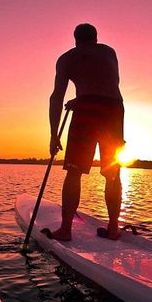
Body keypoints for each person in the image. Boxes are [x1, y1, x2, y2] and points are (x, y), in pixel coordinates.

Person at [47, 23, 125, 241]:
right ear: (96, 38)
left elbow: (56, 97)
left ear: (75, 39)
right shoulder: (109, 52)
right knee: (112, 172)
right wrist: (81, 99)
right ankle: (112, 229)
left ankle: (65, 230)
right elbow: (104, 84)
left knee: (74, 171)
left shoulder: (67, 58)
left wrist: (54, 135)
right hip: (114, 109)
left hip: (87, 111)